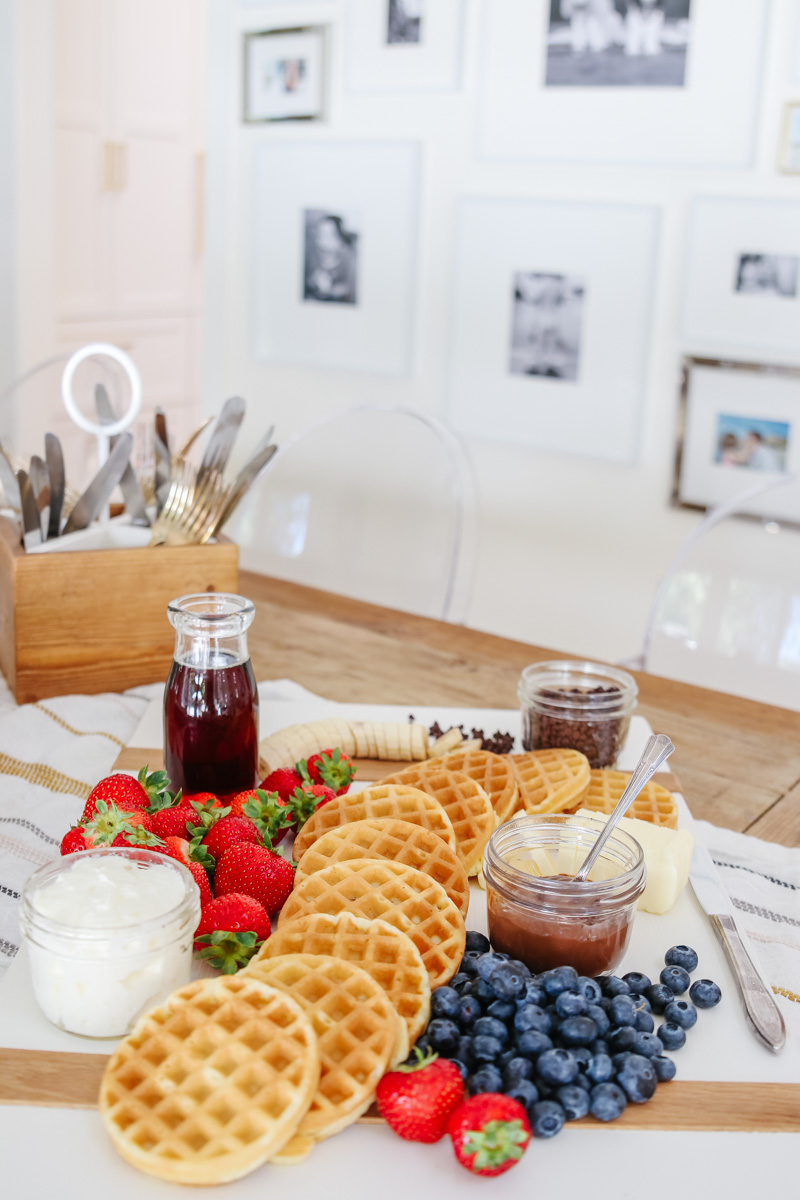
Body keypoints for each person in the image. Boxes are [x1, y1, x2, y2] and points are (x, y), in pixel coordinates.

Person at [304, 213, 358, 305]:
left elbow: (349, 288)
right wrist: (313, 281)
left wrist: (329, 291)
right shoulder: (312, 255)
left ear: (341, 240)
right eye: (320, 236)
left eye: (330, 237)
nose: (323, 242)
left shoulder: (349, 259)